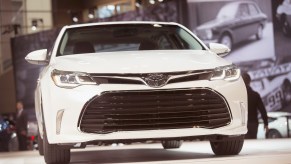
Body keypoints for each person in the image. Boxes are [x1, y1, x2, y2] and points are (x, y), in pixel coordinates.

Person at [242, 73, 269, 139]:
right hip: (253, 123)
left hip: (242, 124)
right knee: (253, 144)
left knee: (243, 145)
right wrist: (266, 124)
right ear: (250, 81)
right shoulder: (255, 95)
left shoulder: (238, 96)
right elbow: (263, 110)